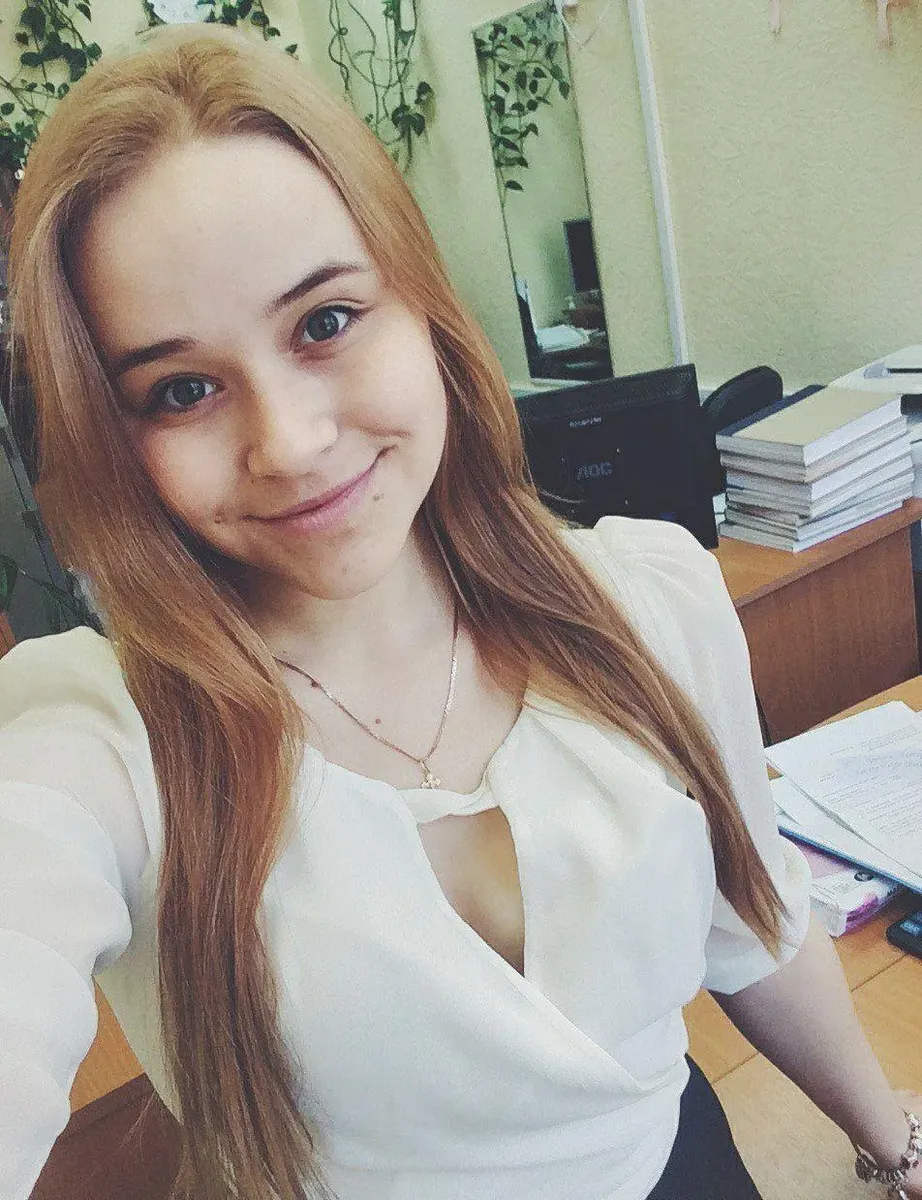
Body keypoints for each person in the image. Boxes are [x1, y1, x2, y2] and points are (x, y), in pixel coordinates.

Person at [0, 23, 918, 1200]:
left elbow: (757, 927)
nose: (290, 442)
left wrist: (895, 1146)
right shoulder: (103, 743)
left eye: (325, 321)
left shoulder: (647, 604)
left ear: (422, 302)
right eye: (181, 389)